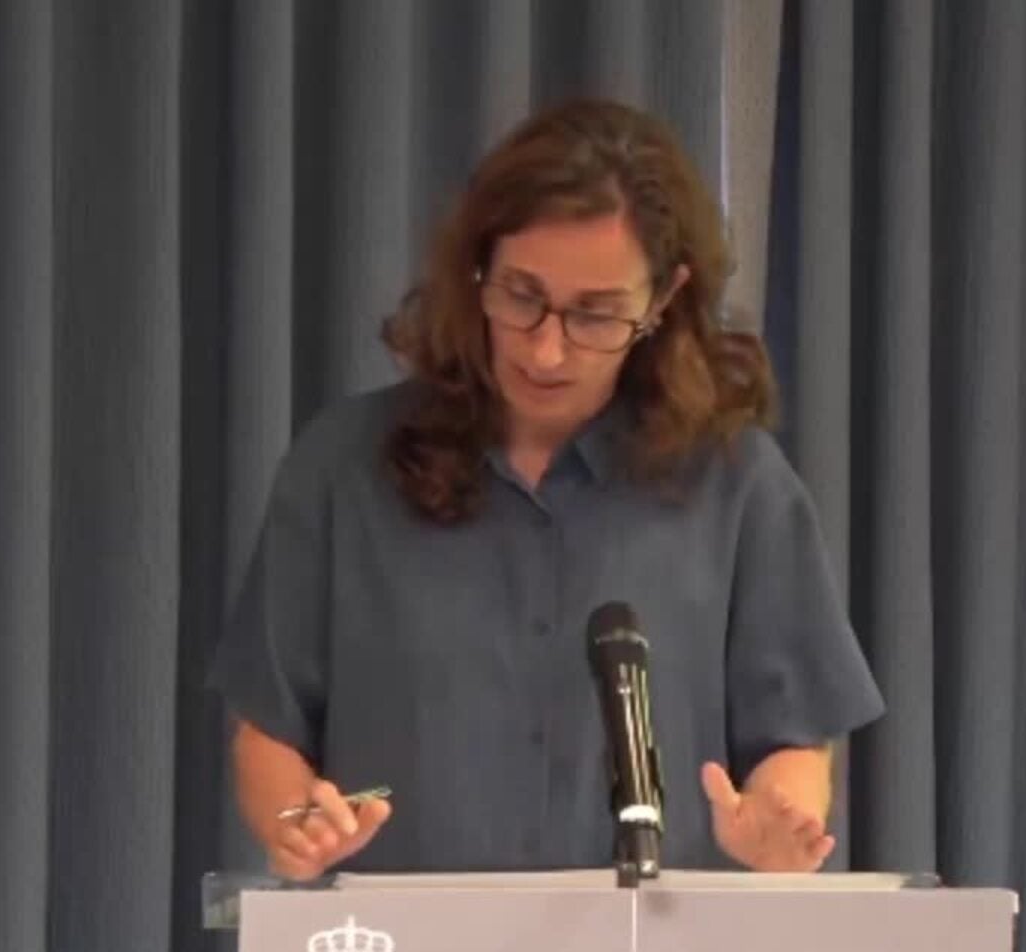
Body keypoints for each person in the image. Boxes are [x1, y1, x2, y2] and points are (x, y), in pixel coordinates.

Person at [207, 98, 883, 881]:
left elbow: (793, 740)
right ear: (477, 269)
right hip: (401, 949)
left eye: (596, 316)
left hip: (655, 948)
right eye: (522, 297)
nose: (547, 351)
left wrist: (776, 825)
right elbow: (268, 728)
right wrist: (298, 825)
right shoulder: (345, 467)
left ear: (663, 300)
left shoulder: (736, 486)